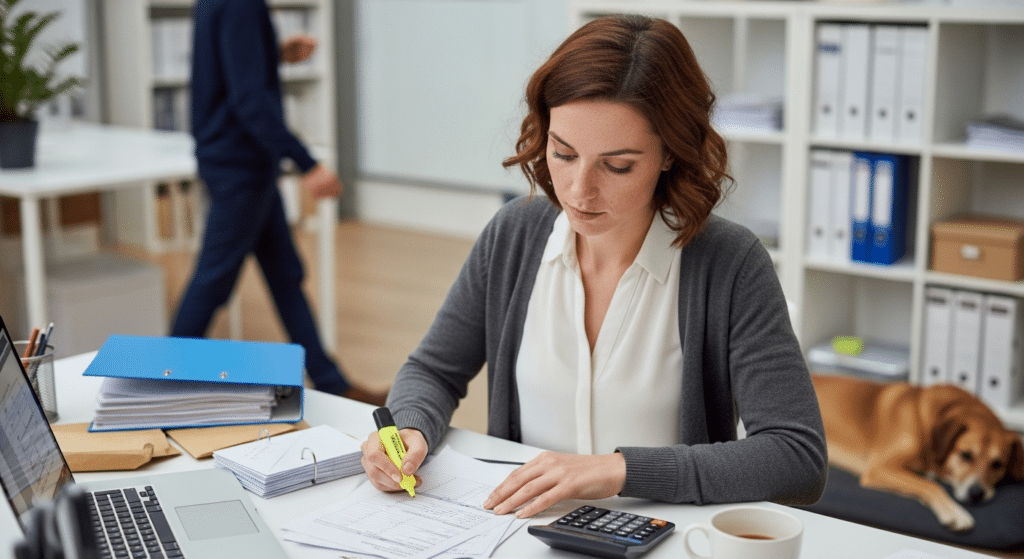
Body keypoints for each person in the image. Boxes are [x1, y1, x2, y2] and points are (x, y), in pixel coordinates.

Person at [359, 14, 827, 517]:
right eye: (563, 153)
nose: (580, 191)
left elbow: (796, 457)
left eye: (617, 165)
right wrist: (408, 426)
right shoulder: (513, 236)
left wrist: (615, 470)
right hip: (523, 536)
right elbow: (433, 370)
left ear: (669, 153)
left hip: (658, 537)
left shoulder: (730, 262)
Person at [176, 0, 386, 406]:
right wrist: (308, 163)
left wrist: (273, 54)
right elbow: (250, 99)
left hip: (246, 163)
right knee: (213, 280)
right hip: (241, 165)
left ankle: (331, 382)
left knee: (284, 274)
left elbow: (232, 66)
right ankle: (153, 386)